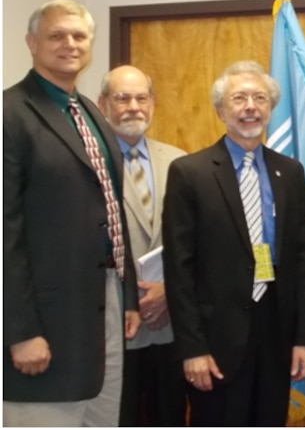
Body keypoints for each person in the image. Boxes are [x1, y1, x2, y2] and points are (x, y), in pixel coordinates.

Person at [4, 0, 140, 426]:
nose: (70, 44)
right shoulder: (10, 114)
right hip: (44, 323)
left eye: (79, 36)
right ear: (32, 42)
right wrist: (20, 331)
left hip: (105, 306)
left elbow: (111, 208)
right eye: (56, 35)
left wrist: (129, 295)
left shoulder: (92, 113)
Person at [162, 60, 305, 426]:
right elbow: (179, 268)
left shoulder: (290, 172)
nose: (251, 107)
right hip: (215, 342)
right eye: (240, 98)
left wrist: (303, 339)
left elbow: (302, 259)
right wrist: (192, 348)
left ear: (270, 108)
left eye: (259, 98)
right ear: (221, 110)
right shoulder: (190, 172)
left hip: (276, 337)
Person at [98, 65, 188, 426]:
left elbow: (196, 243)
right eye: (122, 98)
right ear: (103, 104)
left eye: (141, 98)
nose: (133, 106)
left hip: (171, 323)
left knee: (169, 418)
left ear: (152, 104)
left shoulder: (180, 161)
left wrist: (170, 291)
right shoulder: (90, 163)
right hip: (116, 324)